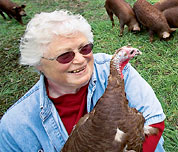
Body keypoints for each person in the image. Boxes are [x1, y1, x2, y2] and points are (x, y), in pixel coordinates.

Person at [0, 10, 166, 151]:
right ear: (39, 64)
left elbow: (155, 121)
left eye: (85, 49)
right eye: (65, 56)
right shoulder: (16, 126)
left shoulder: (116, 71)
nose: (80, 60)